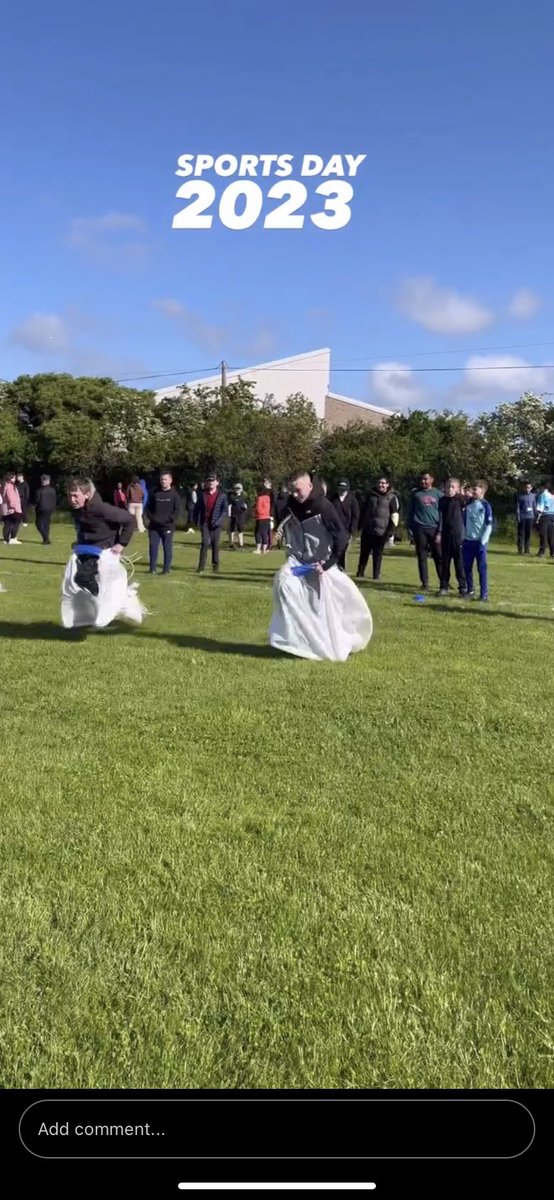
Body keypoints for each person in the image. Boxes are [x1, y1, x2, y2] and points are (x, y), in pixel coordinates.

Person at [269, 471, 373, 662]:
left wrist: (327, 564)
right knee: (283, 582)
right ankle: (294, 640)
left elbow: (341, 537)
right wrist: (278, 531)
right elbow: (284, 520)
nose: (295, 494)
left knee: (323, 606)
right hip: (298, 560)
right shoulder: (292, 504)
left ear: (309, 486)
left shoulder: (323, 506)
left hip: (320, 563)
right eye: (292, 490)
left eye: (298, 490)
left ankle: (331, 641)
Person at [61, 477, 145, 628]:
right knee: (78, 581)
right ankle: (101, 607)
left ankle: (111, 602)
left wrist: (121, 543)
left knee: (84, 577)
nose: (72, 499)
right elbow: (85, 528)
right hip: (88, 550)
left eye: (75, 495)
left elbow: (129, 520)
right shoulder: (78, 510)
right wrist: (79, 542)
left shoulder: (100, 508)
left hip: (105, 552)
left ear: (86, 494)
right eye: (69, 495)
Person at [356, 475, 399, 580]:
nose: (381, 485)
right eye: (379, 483)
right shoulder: (370, 496)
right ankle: (360, 573)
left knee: (378, 554)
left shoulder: (392, 498)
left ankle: (376, 575)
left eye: (383, 483)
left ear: (387, 485)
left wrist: (390, 531)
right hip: (368, 530)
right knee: (364, 553)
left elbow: (395, 515)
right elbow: (363, 511)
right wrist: (359, 526)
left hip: (382, 532)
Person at [407, 471, 442, 589]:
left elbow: (442, 514)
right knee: (422, 556)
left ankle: (443, 582)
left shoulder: (438, 494)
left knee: (438, 556)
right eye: (422, 479)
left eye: (426, 479)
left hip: (434, 528)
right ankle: (425, 582)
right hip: (420, 528)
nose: (424, 481)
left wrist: (440, 531)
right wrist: (410, 527)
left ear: (432, 479)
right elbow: (410, 511)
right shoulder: (416, 494)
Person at [146, 470, 181, 574]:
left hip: (167, 526)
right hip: (154, 526)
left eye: (165, 479)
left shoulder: (175, 495)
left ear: (170, 480)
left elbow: (177, 511)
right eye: (162, 479)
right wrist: (152, 518)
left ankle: (166, 569)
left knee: (167, 547)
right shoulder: (155, 493)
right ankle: (152, 569)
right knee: (153, 546)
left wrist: (169, 519)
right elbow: (148, 507)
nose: (163, 481)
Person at [463, 480, 493, 601]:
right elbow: (464, 523)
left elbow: (489, 525)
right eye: (472, 489)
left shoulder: (486, 505)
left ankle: (484, 594)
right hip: (468, 542)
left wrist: (483, 541)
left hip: (480, 542)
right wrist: (464, 538)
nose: (473, 492)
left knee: (481, 569)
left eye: (475, 489)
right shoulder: (468, 505)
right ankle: (470, 590)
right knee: (467, 568)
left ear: (482, 491)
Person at [437, 478, 467, 597]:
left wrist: (463, 492)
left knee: (459, 563)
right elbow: (440, 518)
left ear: (458, 489)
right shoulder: (442, 501)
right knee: (445, 563)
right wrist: (439, 533)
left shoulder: (460, 500)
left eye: (453, 487)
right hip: (446, 535)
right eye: (448, 486)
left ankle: (463, 587)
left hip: (458, 536)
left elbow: (466, 502)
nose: (450, 489)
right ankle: (444, 586)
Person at [194, 473, 228, 573]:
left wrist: (219, 521)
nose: (211, 483)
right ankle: (201, 567)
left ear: (217, 482)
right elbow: (197, 508)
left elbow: (224, 510)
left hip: (216, 524)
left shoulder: (222, 495)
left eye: (213, 481)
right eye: (209, 481)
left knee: (215, 544)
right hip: (205, 523)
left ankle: (215, 566)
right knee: (204, 543)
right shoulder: (203, 494)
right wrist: (196, 520)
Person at [331, 479, 360, 570]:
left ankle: (341, 569)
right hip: (333, 530)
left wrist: (352, 531)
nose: (342, 491)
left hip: (346, 530)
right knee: (333, 550)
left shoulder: (352, 500)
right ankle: (332, 568)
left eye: (344, 489)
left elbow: (355, 516)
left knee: (342, 551)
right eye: (340, 489)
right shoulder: (333, 498)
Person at [34, 474, 57, 544]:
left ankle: (46, 538)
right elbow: (55, 500)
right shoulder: (53, 490)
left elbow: (37, 500)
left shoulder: (39, 490)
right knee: (46, 524)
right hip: (50, 509)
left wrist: (34, 505)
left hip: (41, 509)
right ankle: (45, 539)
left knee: (39, 524)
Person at [1, 472, 23, 544]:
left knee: (7, 524)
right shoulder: (10, 486)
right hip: (13, 508)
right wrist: (13, 507)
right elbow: (11, 497)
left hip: (5, 508)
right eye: (14, 478)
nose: (15, 479)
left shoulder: (4, 485)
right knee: (16, 523)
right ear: (11, 478)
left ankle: (6, 539)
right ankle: (13, 538)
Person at [516, 482, 536, 555]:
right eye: (526, 487)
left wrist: (535, 516)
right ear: (524, 488)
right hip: (522, 517)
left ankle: (527, 550)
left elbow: (534, 506)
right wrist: (518, 517)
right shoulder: (521, 496)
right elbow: (518, 507)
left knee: (528, 534)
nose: (527, 489)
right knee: (521, 534)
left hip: (530, 517)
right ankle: (520, 550)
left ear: (531, 488)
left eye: (529, 487)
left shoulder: (533, 496)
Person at [535, 480, 554, 558]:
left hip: (544, 516)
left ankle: (542, 552)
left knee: (543, 535)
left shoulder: (542, 495)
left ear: (542, 487)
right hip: (552, 516)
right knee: (551, 535)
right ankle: (552, 552)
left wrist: (537, 518)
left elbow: (540, 508)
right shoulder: (552, 496)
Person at [253, 483, 272, 555]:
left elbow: (258, 508)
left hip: (260, 517)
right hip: (267, 517)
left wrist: (255, 512)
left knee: (258, 533)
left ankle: (258, 549)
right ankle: (264, 549)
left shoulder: (260, 498)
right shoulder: (268, 498)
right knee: (265, 533)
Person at [228, 483, 249, 549]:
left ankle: (241, 544)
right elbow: (229, 505)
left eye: (238, 488)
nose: (237, 490)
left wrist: (245, 507)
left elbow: (246, 505)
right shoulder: (231, 496)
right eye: (236, 488)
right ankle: (231, 543)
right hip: (233, 515)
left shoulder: (244, 496)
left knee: (240, 529)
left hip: (241, 515)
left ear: (241, 489)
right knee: (232, 529)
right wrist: (229, 514)